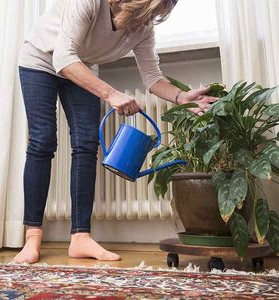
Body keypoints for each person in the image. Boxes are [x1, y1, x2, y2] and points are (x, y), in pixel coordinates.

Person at [13, 0, 217, 264]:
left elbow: (152, 77)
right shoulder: (88, 3)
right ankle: (33, 236)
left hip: (81, 65)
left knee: (86, 143)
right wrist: (110, 93)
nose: (151, 19)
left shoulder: (143, 27)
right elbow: (62, 57)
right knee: (43, 140)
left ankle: (80, 238)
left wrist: (181, 97)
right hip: (41, 60)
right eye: (151, 10)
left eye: (158, 13)